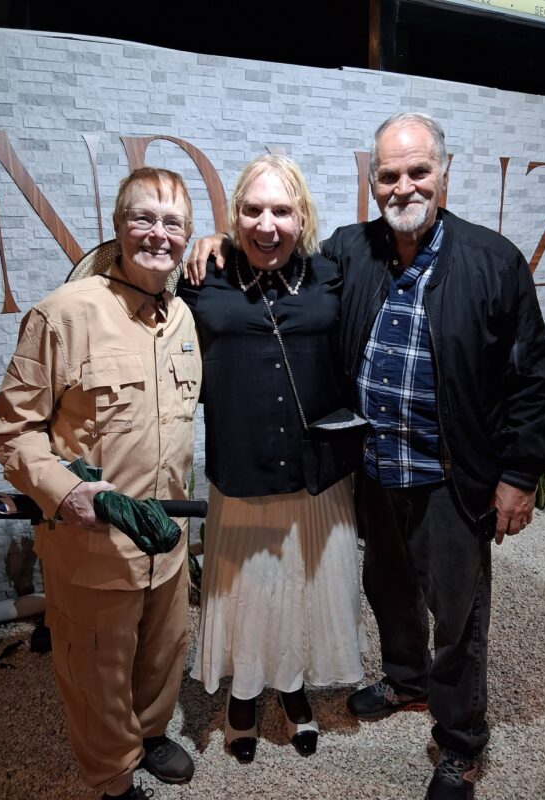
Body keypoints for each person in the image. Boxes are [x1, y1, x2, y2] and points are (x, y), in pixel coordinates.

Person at [186, 114, 545, 800]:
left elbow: (532, 379)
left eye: (418, 171)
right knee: (388, 589)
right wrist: (218, 242)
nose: (403, 186)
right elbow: (274, 251)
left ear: (444, 174)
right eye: (389, 174)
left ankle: (460, 742)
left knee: (458, 613)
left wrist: (518, 474)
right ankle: (407, 681)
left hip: (452, 475)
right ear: (372, 181)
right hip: (375, 469)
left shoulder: (493, 261)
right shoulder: (350, 252)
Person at [0, 168, 202, 800]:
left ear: (187, 235)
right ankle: (113, 774)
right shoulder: (63, 314)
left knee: (162, 652)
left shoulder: (183, 318)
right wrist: (65, 491)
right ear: (117, 225)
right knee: (96, 671)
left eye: (172, 223)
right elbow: (12, 432)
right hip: (94, 547)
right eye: (143, 218)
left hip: (165, 539)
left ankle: (150, 732)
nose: (157, 234)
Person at [178, 154, 365, 763]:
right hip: (242, 467)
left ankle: (291, 685)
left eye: (281, 211)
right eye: (253, 210)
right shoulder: (203, 276)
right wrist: (205, 241)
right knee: (248, 591)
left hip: (316, 472)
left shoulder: (332, 274)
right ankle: (243, 694)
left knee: (304, 588)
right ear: (235, 216)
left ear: (302, 216)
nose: (267, 224)